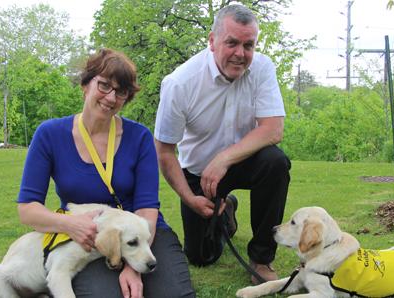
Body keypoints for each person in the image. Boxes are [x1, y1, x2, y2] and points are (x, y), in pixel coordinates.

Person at [17, 48, 195, 298]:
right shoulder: (49, 134)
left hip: (144, 235)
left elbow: (146, 209)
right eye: (104, 85)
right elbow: (27, 209)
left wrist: (134, 268)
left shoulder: (140, 137)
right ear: (86, 85)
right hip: (89, 236)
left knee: (175, 295)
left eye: (121, 91)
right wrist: (71, 225)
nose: (111, 98)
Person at [154, 4, 291, 285]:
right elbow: (165, 151)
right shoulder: (179, 83)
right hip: (197, 171)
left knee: (276, 163)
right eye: (232, 43)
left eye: (248, 45)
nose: (240, 54)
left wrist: (224, 159)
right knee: (201, 256)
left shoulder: (263, 68)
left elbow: (273, 129)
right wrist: (189, 198)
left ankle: (262, 257)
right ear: (212, 41)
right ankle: (226, 208)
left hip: (246, 162)